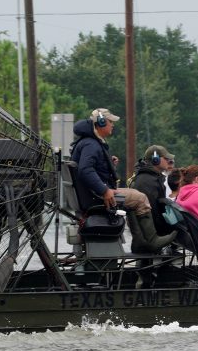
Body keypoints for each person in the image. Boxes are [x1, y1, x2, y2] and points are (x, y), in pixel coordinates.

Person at [70, 108, 175, 253]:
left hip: (90, 194)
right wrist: (104, 190)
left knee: (132, 199)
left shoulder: (88, 142)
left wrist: (107, 163)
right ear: (101, 122)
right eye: (110, 121)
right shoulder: (91, 144)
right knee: (140, 198)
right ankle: (152, 240)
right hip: (96, 196)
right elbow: (85, 170)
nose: (113, 125)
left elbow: (91, 168)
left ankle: (140, 241)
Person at [129, 144, 174, 235]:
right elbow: (152, 213)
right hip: (151, 234)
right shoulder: (147, 181)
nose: (169, 161)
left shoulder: (152, 177)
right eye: (166, 158)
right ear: (155, 160)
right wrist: (167, 231)